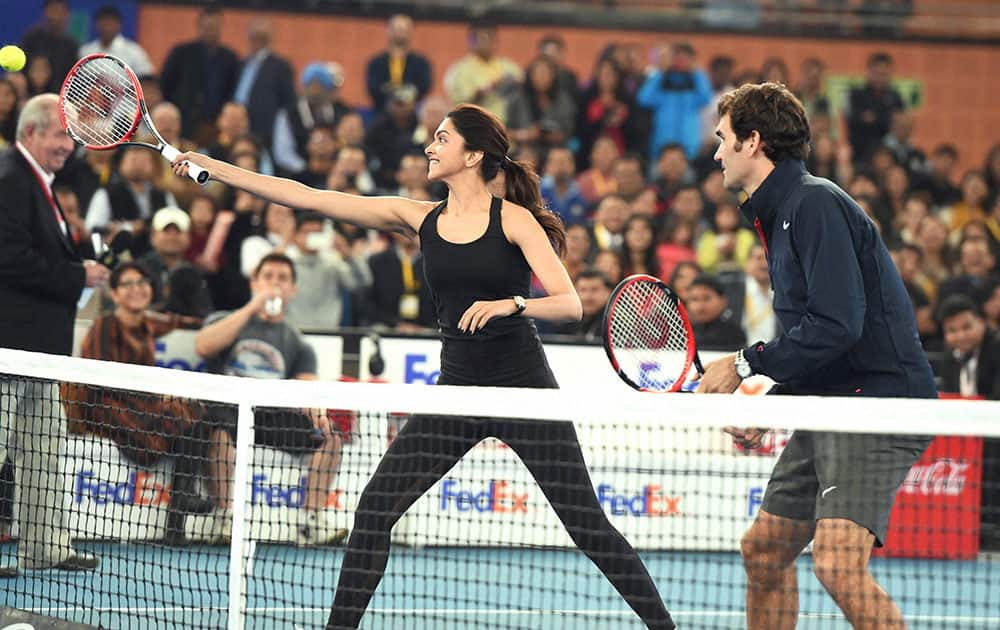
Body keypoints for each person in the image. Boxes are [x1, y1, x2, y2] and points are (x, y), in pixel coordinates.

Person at [171, 103, 675, 630]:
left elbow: (570, 305)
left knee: (587, 525)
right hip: (455, 392)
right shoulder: (419, 217)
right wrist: (218, 167)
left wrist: (514, 304)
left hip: (525, 389)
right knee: (373, 513)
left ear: (473, 154)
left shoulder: (515, 220)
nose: (429, 148)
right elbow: (312, 197)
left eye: (441, 138)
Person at [696, 82, 936, 630]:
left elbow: (837, 327)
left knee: (837, 564)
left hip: (879, 404)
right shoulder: (780, 214)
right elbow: (820, 336)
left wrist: (741, 364)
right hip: (836, 401)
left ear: (753, 142)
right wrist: (776, 407)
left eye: (723, 138)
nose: (715, 153)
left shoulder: (814, 203)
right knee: (764, 551)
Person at [0, 94, 110, 577]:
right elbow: (10, 260)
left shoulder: (36, 183)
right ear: (31, 133)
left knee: (43, 452)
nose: (69, 145)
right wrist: (76, 277)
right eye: (60, 134)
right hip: (8, 349)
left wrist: (79, 264)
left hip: (42, 355)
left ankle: (45, 548)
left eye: (71, 136)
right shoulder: (8, 179)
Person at [64, 262, 231, 544]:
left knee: (201, 416)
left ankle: (176, 524)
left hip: (142, 407)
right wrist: (159, 399)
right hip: (109, 409)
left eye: (142, 282)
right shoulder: (105, 326)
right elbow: (102, 381)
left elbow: (175, 322)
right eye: (128, 284)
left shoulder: (146, 326)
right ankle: (179, 514)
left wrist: (197, 323)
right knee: (193, 415)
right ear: (114, 294)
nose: (137, 289)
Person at [194, 253, 347, 546]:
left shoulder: (298, 342)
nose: (274, 284)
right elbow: (203, 346)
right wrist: (253, 306)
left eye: (282, 279)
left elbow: (306, 389)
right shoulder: (223, 320)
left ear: (293, 289)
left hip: (273, 414)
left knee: (332, 438)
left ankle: (311, 522)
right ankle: (225, 517)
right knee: (218, 432)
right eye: (268, 277)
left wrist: (318, 412)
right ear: (254, 281)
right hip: (230, 409)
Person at [365, 14, 433, 113]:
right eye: (396, 29)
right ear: (388, 30)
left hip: (412, 115)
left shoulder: (421, 63)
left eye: (404, 29)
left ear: (411, 32)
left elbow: (424, 87)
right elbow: (373, 88)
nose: (400, 33)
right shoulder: (376, 63)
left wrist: (408, 103)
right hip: (381, 114)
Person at [78, 4, 155, 77]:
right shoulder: (85, 52)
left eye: (111, 23)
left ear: (119, 25)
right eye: (104, 23)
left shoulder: (135, 52)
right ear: (96, 24)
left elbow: (147, 80)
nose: (107, 28)